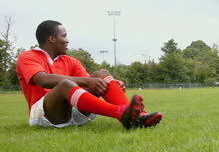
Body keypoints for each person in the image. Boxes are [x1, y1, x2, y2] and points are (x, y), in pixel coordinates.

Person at [16, 20, 162, 129]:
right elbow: (42, 80)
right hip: (46, 115)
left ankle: (136, 117)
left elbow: (89, 82)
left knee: (101, 73)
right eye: (64, 36)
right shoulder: (28, 56)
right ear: (52, 39)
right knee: (65, 85)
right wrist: (88, 82)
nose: (67, 40)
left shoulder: (70, 61)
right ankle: (120, 113)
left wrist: (111, 84)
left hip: (74, 111)